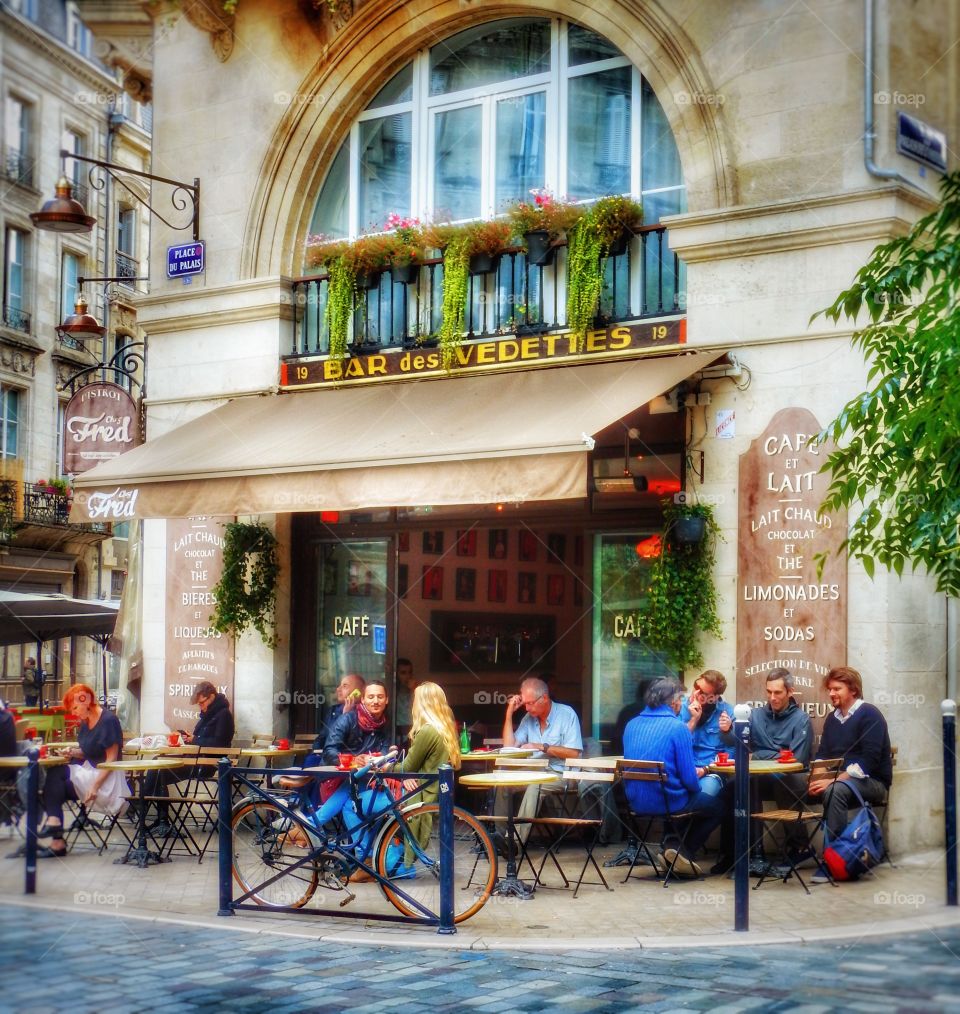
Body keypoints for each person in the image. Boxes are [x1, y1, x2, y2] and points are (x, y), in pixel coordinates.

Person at [347, 681, 461, 882]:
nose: (412, 704)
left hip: (417, 798)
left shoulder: (427, 731)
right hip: (433, 794)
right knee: (370, 806)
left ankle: (364, 860)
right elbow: (418, 766)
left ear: (424, 703)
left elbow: (406, 768)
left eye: (415, 700)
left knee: (350, 805)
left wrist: (381, 765)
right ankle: (386, 862)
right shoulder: (445, 730)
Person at [622, 677, 727, 877]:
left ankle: (672, 848)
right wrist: (696, 789)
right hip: (669, 801)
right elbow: (689, 780)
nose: (682, 702)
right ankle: (682, 851)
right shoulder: (677, 728)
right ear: (673, 702)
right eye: (680, 698)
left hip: (635, 802)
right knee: (717, 807)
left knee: (685, 797)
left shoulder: (631, 724)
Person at [713, 668, 814, 874]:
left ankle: (800, 847)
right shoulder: (756, 715)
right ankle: (734, 853)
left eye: (778, 692)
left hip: (789, 777)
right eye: (769, 692)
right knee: (734, 787)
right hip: (762, 778)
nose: (772, 697)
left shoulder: (801, 719)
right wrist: (726, 731)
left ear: (790, 691)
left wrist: (759, 754)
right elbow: (739, 742)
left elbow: (797, 758)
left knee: (782, 782)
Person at [808, 666, 892, 883]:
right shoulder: (832, 718)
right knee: (790, 782)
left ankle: (835, 861)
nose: (831, 693)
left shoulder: (870, 715)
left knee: (835, 791)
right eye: (830, 689)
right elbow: (822, 755)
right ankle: (797, 848)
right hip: (838, 781)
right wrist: (815, 779)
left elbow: (867, 764)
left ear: (853, 690)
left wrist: (830, 781)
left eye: (837, 688)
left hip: (871, 782)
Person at [38, 683, 126, 857]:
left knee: (55, 776)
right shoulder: (86, 722)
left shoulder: (108, 720)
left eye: (76, 707)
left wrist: (94, 787)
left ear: (86, 701)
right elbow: (89, 752)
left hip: (107, 781)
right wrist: (73, 752)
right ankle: (57, 840)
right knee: (53, 784)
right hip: (90, 773)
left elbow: (111, 759)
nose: (74, 713)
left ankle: (55, 831)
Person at [143, 680, 235, 834]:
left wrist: (195, 739)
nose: (200, 706)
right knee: (157, 764)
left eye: (201, 703)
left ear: (211, 696)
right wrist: (190, 737)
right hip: (196, 760)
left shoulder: (223, 715)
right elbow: (203, 737)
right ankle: (161, 820)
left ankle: (144, 808)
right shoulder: (210, 714)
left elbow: (219, 743)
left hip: (206, 764)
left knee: (159, 769)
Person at [500, 676, 582, 841]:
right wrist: (509, 713)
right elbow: (508, 747)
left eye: (530, 703)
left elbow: (574, 753)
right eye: (524, 703)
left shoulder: (567, 714)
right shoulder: (528, 718)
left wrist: (540, 746)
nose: (527, 708)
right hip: (534, 770)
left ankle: (513, 842)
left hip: (561, 773)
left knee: (535, 786)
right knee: (502, 781)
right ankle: (498, 837)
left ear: (544, 698)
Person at [680, 670, 734, 796]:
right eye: (696, 686)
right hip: (683, 769)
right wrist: (693, 720)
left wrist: (705, 770)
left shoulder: (728, 713)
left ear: (715, 697)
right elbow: (675, 743)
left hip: (711, 772)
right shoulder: (680, 708)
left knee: (702, 797)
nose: (696, 693)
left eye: (703, 692)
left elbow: (731, 750)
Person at [313, 674, 365, 749]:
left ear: (358, 692)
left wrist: (346, 716)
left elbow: (354, 743)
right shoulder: (333, 711)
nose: (338, 689)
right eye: (339, 685)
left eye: (345, 686)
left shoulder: (364, 713)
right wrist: (316, 752)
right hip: (325, 755)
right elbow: (321, 738)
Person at [394, 658, 415, 732]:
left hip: (412, 729)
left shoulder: (416, 691)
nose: (407, 676)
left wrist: (413, 690)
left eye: (410, 672)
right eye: (403, 673)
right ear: (396, 674)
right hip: (397, 730)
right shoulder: (393, 691)